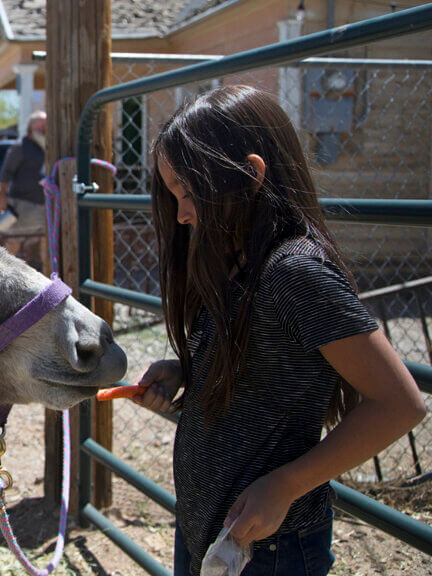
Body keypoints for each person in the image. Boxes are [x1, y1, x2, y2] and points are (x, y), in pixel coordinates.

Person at [133, 85, 426, 576]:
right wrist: (184, 371)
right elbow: (261, 373)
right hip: (214, 530)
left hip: (271, 547)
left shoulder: (293, 273)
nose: (182, 214)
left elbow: (401, 404)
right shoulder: (235, 267)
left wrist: (286, 485)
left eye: (189, 192)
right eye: (175, 195)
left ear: (249, 176)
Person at [0, 110, 47, 266]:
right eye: (42, 123)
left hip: (43, 204)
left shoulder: (45, 146)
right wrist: (2, 198)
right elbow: (5, 174)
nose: (45, 127)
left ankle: (49, 280)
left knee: (46, 241)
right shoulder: (20, 146)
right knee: (13, 242)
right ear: (32, 126)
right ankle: (2, 274)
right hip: (22, 203)